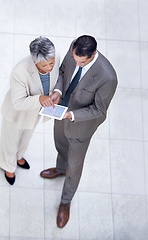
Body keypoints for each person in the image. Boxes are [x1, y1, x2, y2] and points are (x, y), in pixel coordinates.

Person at [40, 35, 118, 228]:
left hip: (80, 126)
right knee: (60, 145)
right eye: (75, 59)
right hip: (61, 113)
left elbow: (99, 110)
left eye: (81, 62)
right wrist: (57, 92)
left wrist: (72, 115)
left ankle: (65, 201)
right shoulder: (75, 48)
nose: (76, 63)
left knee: (74, 166)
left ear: (93, 55)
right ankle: (60, 169)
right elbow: (63, 71)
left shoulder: (108, 77)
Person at [0, 36, 59, 185]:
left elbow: (58, 77)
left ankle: (19, 156)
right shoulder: (19, 72)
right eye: (45, 66)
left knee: (26, 137)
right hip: (16, 113)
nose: (50, 67)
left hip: (35, 111)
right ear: (34, 61)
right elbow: (18, 103)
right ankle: (9, 166)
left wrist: (56, 93)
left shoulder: (54, 57)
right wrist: (39, 99)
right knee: (10, 141)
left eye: (52, 63)